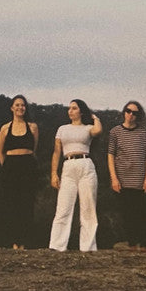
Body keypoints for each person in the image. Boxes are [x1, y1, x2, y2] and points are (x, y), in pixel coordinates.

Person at [49, 99, 102, 252]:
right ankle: (57, 246)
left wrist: (94, 117)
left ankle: (88, 247)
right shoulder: (62, 129)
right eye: (69, 108)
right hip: (68, 166)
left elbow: (98, 130)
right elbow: (57, 152)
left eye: (74, 108)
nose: (70, 111)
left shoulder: (88, 128)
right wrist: (54, 173)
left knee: (88, 208)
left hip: (86, 165)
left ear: (81, 111)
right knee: (63, 207)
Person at [108, 100, 146, 251]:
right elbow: (110, 155)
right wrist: (114, 178)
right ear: (124, 112)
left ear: (138, 115)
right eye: (128, 111)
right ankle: (132, 243)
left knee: (141, 212)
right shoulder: (115, 132)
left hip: (139, 178)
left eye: (134, 112)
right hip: (122, 178)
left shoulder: (144, 133)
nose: (131, 114)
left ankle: (145, 244)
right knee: (126, 213)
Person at [0, 94, 39, 249]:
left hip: (28, 165)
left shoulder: (33, 127)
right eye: (17, 105)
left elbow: (34, 149)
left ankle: (25, 241)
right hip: (10, 166)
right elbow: (0, 151)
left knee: (27, 203)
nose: (20, 108)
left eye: (23, 105)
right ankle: (14, 241)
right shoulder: (5, 128)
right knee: (12, 203)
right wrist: (6, 167)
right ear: (12, 108)